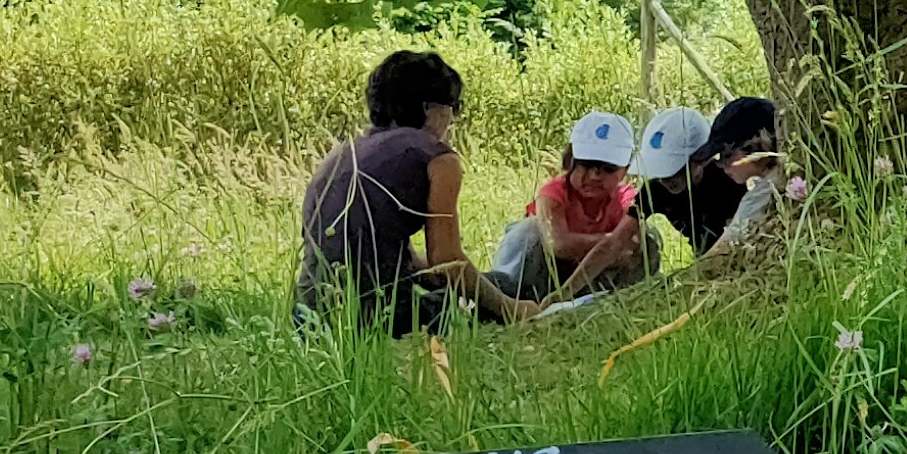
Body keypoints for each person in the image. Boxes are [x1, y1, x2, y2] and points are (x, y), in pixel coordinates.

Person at [298, 49, 527, 332]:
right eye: (454, 107)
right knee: (504, 287)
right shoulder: (437, 157)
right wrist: (511, 307)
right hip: (376, 314)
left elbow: (381, 245)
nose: (453, 120)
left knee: (487, 284)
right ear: (430, 108)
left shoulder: (344, 154)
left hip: (310, 313)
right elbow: (446, 261)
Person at [488, 113, 655, 304]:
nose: (594, 176)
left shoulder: (627, 197)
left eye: (608, 168)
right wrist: (612, 242)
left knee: (649, 237)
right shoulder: (553, 193)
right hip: (544, 276)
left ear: (624, 170)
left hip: (591, 278)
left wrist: (607, 245)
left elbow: (634, 243)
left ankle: (624, 300)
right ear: (570, 162)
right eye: (586, 165)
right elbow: (557, 244)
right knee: (529, 231)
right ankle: (506, 299)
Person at [639, 95, 781, 259]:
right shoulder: (774, 183)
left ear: (755, 146)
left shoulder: (759, 196)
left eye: (727, 155)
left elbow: (719, 255)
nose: (722, 164)